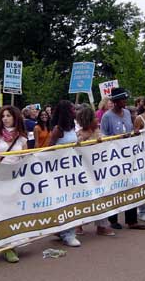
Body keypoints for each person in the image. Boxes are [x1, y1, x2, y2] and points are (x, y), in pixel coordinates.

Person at [101, 88, 145, 231]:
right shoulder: (107, 117)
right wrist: (116, 139)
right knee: (115, 188)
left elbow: (130, 130)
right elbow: (103, 136)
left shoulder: (127, 113)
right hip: (114, 158)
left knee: (131, 185)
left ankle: (132, 220)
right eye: (122, 99)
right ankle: (113, 219)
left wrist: (134, 134)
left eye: (125, 99)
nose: (125, 102)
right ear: (115, 102)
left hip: (129, 156)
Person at [0, 105, 28, 263]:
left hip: (16, 179)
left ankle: (15, 242)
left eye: (8, 116)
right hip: (0, 178)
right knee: (1, 211)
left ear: (15, 117)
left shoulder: (22, 137)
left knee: (15, 211)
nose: (5, 118)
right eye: (3, 116)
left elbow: (26, 157)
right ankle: (6, 247)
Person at [75, 104, 115, 236]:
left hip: (99, 170)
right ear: (87, 120)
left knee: (101, 195)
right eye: (94, 118)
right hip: (84, 172)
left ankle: (101, 225)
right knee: (82, 197)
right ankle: (78, 224)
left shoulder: (98, 132)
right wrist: (84, 139)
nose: (97, 120)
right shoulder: (79, 135)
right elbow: (75, 149)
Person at [49, 100, 82, 247]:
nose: (75, 110)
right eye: (72, 109)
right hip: (61, 170)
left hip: (72, 169)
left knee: (73, 199)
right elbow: (49, 147)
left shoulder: (72, 127)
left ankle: (65, 231)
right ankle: (68, 234)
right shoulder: (58, 129)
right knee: (66, 200)